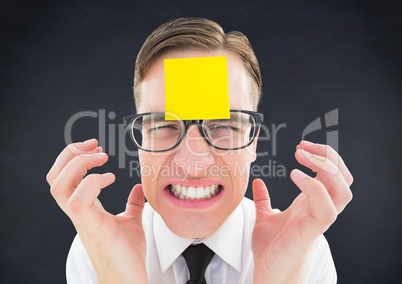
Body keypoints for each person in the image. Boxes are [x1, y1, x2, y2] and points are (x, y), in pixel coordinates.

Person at [46, 17, 353, 284]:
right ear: (140, 138)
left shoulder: (306, 251)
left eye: (224, 126)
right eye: (164, 125)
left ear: (254, 141)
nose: (193, 163)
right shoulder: (94, 250)